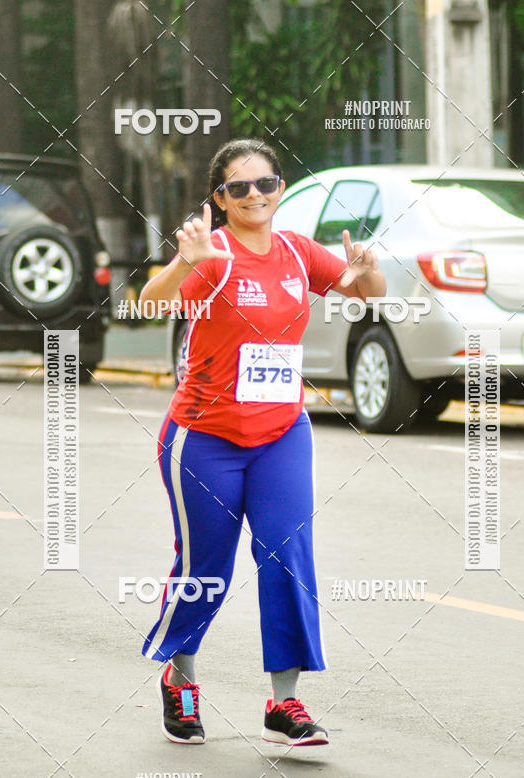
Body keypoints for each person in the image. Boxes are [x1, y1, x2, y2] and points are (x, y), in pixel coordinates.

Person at [139, 138, 385, 746]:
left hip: (281, 434)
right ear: (219, 199)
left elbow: (367, 296)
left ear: (280, 189)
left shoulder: (298, 253)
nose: (256, 195)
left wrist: (367, 274)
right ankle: (180, 677)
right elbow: (149, 305)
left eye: (266, 183)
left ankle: (285, 704)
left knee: (287, 557)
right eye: (239, 187)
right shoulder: (212, 254)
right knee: (208, 569)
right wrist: (182, 264)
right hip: (204, 438)